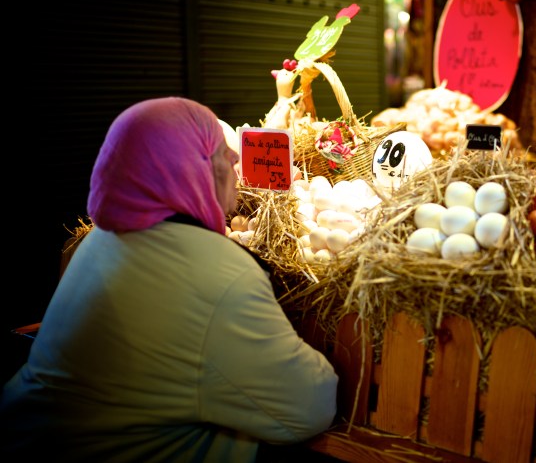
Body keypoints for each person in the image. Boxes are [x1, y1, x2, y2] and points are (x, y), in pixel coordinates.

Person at [0, 97, 338, 462]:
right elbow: (310, 408)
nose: (235, 159)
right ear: (187, 170)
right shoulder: (217, 271)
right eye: (220, 150)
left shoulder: (101, 239)